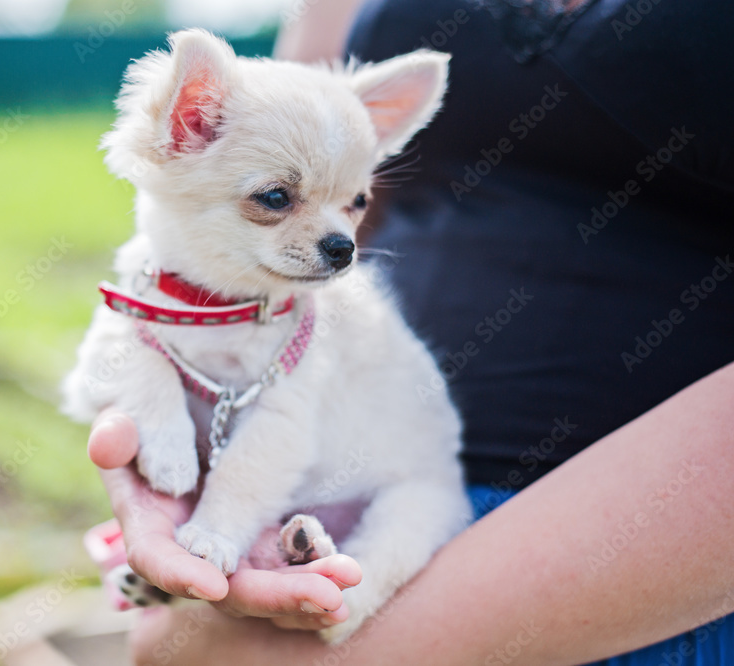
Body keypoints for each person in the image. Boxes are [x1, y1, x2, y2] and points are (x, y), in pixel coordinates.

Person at [87, 0, 734, 663]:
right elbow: (245, 160)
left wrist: (352, 648)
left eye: (354, 200)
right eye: (277, 199)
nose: (340, 236)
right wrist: (174, 445)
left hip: (649, 568)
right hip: (307, 504)